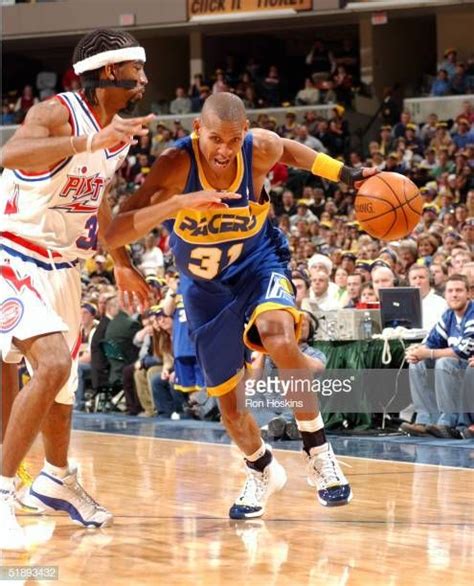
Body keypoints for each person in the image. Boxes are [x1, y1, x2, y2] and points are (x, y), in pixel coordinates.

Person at [106, 92, 377, 518]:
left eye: (234, 140)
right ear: (198, 130)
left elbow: (291, 151)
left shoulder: (259, 149)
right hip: (204, 289)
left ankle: (318, 452)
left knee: (277, 334)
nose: (224, 149)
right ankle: (261, 468)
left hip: (257, 264)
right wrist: (122, 264)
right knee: (231, 410)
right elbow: (122, 218)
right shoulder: (175, 164)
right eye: (216, 139)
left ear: (245, 132)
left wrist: (345, 173)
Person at [0, 27, 151, 542]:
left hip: (64, 266)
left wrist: (121, 260)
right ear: (110, 71)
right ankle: (3, 494)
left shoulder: (116, 131)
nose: (144, 79)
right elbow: (10, 155)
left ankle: (56, 478)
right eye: (137, 70)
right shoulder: (56, 113)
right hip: (13, 253)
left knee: (60, 388)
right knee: (52, 365)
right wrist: (89, 140)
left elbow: (96, 195)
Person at [402, 275, 474, 438]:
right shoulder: (448, 315)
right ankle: (426, 420)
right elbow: (431, 341)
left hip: (469, 367)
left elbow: (463, 350)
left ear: (469, 293)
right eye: (450, 291)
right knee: (417, 363)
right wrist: (417, 352)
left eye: (459, 290)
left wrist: (429, 353)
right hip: (459, 367)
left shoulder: (472, 313)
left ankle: (448, 422)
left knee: (445, 362)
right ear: (445, 295)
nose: (454, 294)